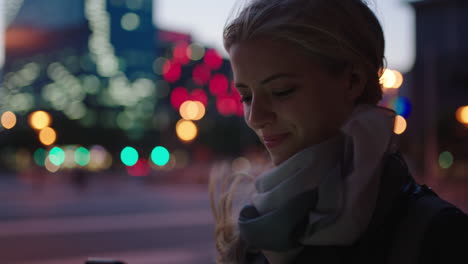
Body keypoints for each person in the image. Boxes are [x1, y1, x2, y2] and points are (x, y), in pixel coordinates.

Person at [209, 0, 468, 263]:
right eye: (245, 97)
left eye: (281, 91)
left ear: (353, 80)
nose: (256, 118)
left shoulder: (440, 236)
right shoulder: (255, 232)